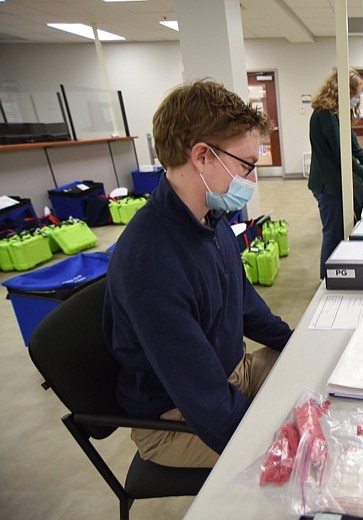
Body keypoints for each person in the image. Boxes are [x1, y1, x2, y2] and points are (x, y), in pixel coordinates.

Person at [103, 80, 293, 468]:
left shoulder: (211, 217)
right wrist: (277, 442)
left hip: (230, 371)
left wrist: (294, 342)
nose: (251, 181)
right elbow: (207, 401)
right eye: (246, 166)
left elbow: (245, 306)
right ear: (202, 156)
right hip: (175, 419)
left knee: (315, 372)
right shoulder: (151, 264)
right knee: (298, 455)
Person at [308, 68, 363, 279]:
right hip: (327, 185)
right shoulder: (325, 115)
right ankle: (326, 279)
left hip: (336, 182)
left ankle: (333, 274)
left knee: (338, 231)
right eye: (356, 93)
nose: (358, 99)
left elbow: (355, 149)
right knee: (333, 233)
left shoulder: (338, 114)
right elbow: (342, 155)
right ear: (342, 91)